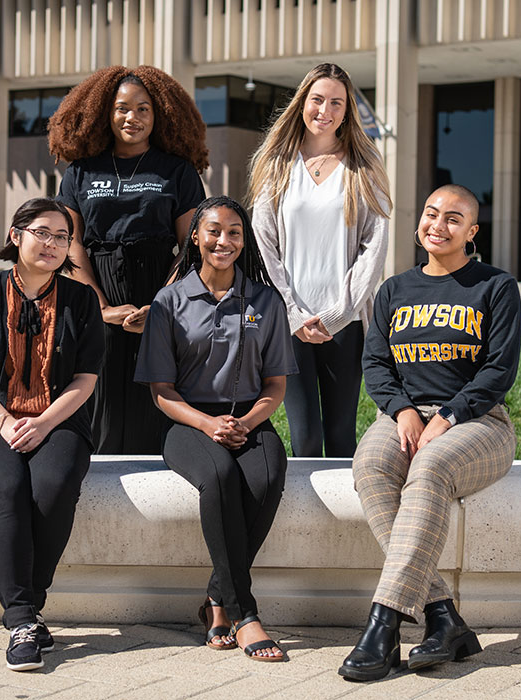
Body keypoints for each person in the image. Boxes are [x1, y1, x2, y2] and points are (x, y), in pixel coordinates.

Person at [338, 185, 521, 682]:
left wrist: (449, 416)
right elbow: (375, 363)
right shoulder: (394, 290)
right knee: (372, 468)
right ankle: (443, 617)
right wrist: (401, 412)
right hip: (404, 416)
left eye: (454, 218)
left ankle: (384, 625)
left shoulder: (495, 286)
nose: (438, 225)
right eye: (431, 214)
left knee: (430, 467)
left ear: (472, 232)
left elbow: (499, 370)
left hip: (479, 422)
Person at [134, 196, 298, 661]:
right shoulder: (169, 300)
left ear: (245, 242)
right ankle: (245, 613)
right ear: (196, 238)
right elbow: (161, 391)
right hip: (188, 419)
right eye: (213, 231)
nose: (223, 241)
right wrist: (208, 424)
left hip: (249, 417)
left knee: (266, 477)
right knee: (221, 478)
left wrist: (244, 422)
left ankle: (215, 600)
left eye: (234, 232)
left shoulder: (265, 300)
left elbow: (276, 385)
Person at [0, 198, 104, 671]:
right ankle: (22, 621)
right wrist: (3, 421)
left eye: (63, 237)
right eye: (43, 232)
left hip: (59, 419)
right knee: (10, 490)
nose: (53, 244)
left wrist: (44, 422)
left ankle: (28, 607)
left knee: (53, 486)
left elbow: (85, 379)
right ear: (16, 236)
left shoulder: (80, 300)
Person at [49, 65, 208, 454]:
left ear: (160, 115)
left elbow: (192, 245)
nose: (131, 118)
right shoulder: (81, 172)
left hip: (160, 288)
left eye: (143, 109)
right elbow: (71, 243)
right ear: (105, 112)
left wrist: (161, 306)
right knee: (96, 391)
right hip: (94, 287)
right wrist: (99, 307)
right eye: (122, 108)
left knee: (153, 393)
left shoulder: (178, 172)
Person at [249, 62, 391, 458]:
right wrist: (293, 315)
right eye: (317, 100)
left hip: (344, 322)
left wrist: (335, 315)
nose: (324, 111)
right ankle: (305, 522)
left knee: (342, 434)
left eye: (336, 103)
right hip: (288, 323)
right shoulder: (277, 165)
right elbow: (264, 245)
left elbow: (373, 248)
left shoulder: (363, 168)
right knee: (306, 437)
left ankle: (344, 522)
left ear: (347, 111)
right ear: (302, 103)